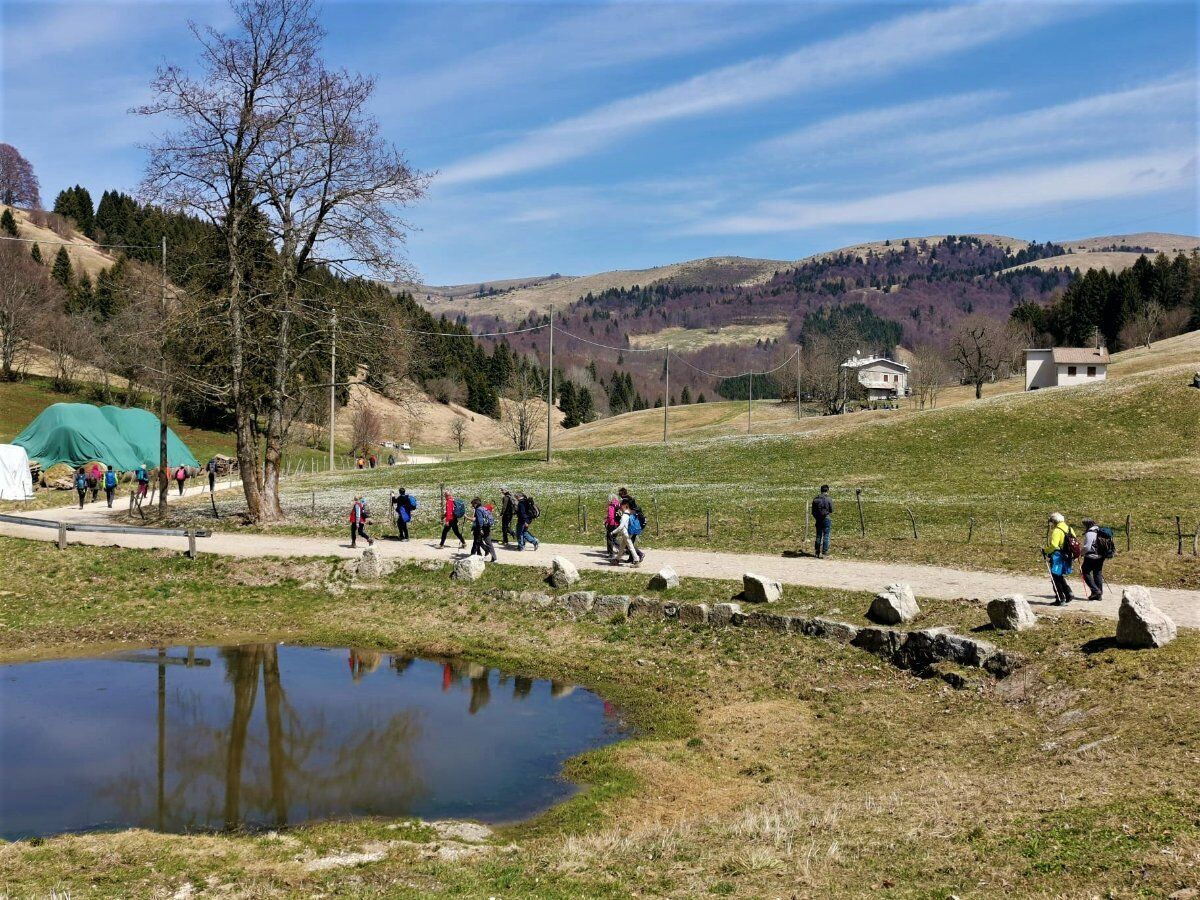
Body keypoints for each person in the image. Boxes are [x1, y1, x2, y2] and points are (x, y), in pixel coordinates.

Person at [1043, 512, 1078, 605]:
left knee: (1055, 576)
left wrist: (1045, 551)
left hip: (1058, 556)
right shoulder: (1070, 529)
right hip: (1068, 555)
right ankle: (1068, 593)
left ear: (1054, 521)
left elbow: (1054, 545)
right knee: (1059, 575)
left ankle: (1060, 598)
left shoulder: (1057, 530)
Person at [1080, 518, 1111, 602]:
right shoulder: (1099, 530)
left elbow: (1087, 547)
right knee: (1097, 573)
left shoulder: (1090, 533)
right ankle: (1098, 595)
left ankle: (1095, 591)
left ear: (1087, 525)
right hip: (1101, 556)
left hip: (1091, 556)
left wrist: (1081, 553)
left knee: (1085, 571)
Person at [611, 498, 643, 566]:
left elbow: (620, 527)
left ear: (625, 505)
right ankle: (617, 559)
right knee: (622, 547)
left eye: (621, 505)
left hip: (626, 534)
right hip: (628, 533)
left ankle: (636, 560)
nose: (621, 507)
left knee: (630, 547)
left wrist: (613, 532)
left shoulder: (624, 516)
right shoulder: (630, 514)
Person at [617, 487, 646, 563]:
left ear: (622, 494)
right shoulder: (630, 499)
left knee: (629, 542)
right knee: (630, 541)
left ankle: (640, 554)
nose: (619, 496)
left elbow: (627, 511)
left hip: (633, 523)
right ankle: (631, 558)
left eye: (620, 494)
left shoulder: (626, 501)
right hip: (637, 522)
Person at [470, 497, 498, 563]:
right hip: (487, 527)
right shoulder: (484, 508)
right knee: (489, 543)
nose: (472, 506)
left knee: (477, 542)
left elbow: (480, 520)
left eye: (473, 504)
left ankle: (473, 557)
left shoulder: (478, 509)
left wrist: (480, 529)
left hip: (481, 528)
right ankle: (494, 557)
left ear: (476, 504)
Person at [811, 485, 834, 558]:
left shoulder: (815, 499)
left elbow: (813, 512)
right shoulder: (828, 499)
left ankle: (817, 552)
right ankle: (824, 552)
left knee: (818, 535)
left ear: (821, 490)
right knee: (826, 535)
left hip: (818, 519)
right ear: (827, 490)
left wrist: (816, 517)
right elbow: (831, 510)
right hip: (826, 518)